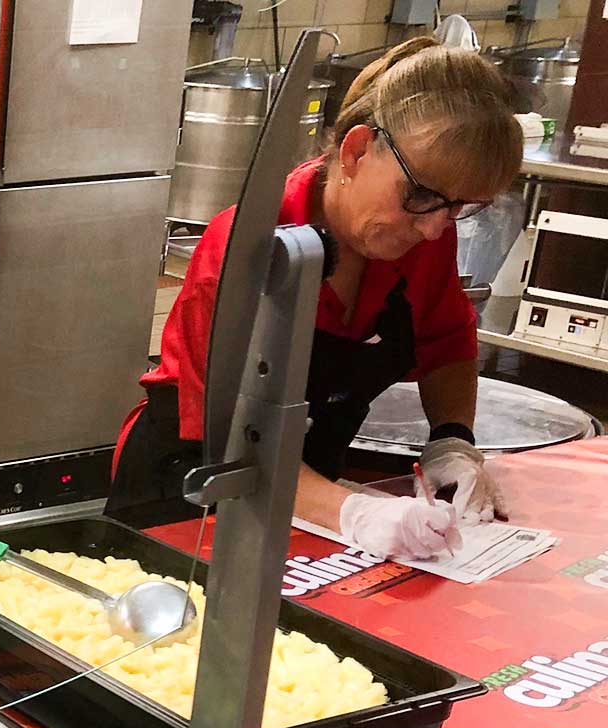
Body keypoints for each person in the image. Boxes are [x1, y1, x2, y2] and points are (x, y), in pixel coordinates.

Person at [108, 37, 522, 559]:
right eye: (422, 196)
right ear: (355, 151)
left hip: (312, 498)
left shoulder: (417, 237)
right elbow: (234, 443)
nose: (437, 228)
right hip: (189, 493)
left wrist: (452, 440)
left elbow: (446, 340)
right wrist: (357, 513)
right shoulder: (248, 244)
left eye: (460, 208)